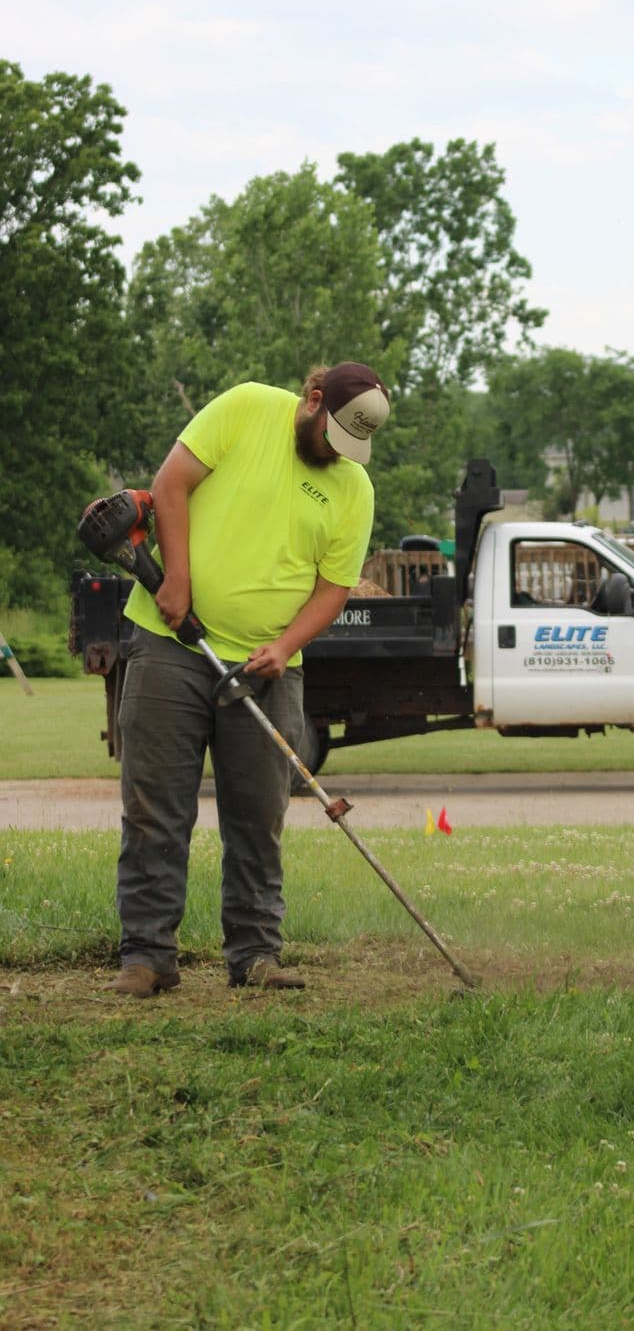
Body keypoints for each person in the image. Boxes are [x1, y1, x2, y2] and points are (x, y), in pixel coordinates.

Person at [105, 362, 391, 998]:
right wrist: (174, 579)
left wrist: (285, 646)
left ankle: (255, 955)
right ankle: (147, 958)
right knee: (154, 809)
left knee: (258, 816)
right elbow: (170, 485)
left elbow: (332, 588)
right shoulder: (243, 408)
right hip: (167, 646)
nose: (338, 455)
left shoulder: (354, 488)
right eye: (333, 436)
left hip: (268, 670)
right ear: (313, 401)